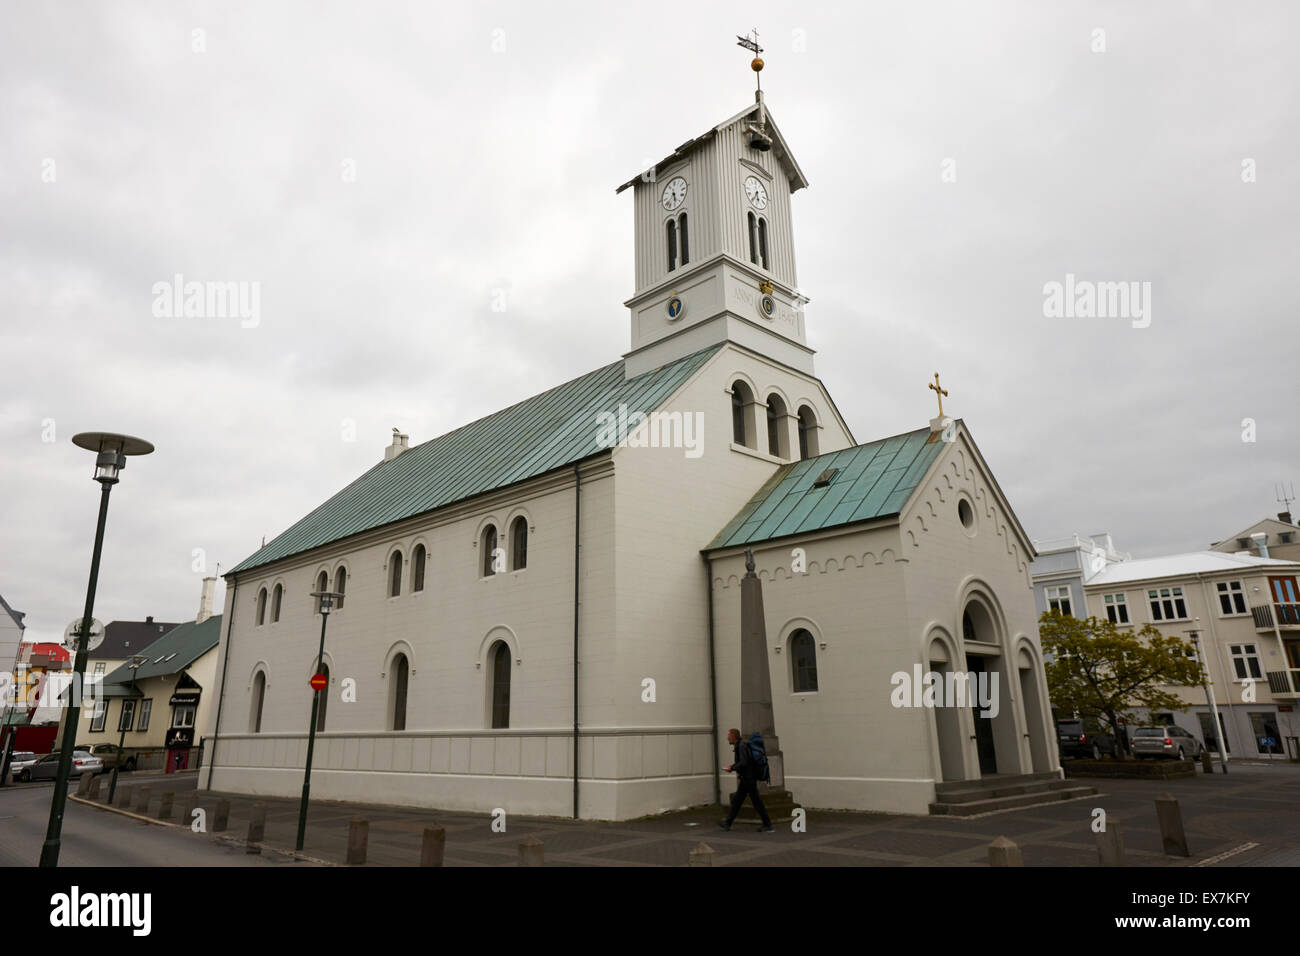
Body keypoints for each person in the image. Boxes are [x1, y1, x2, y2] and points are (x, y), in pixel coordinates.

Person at [719, 727, 773, 832]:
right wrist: (733, 767)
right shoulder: (740, 745)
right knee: (738, 801)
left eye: (729, 736)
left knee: (756, 802)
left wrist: (732, 767)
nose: (727, 738)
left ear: (733, 737)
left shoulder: (741, 746)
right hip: (746, 778)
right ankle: (728, 823)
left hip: (748, 779)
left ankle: (767, 824)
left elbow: (744, 762)